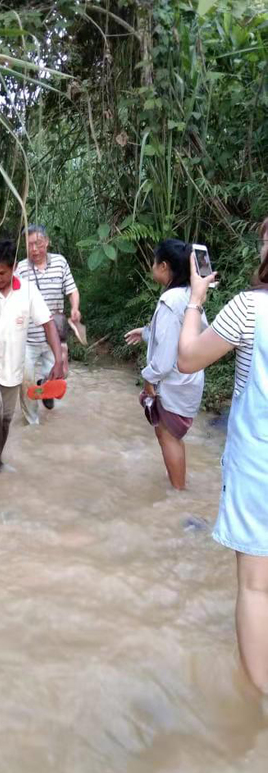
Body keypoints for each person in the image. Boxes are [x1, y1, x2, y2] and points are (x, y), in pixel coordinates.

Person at [177, 218, 268, 692]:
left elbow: (188, 358)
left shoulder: (250, 309)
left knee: (256, 584)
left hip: (259, 463)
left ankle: (258, 703)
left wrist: (195, 300)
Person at [0, 238, 64, 472]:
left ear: (14, 268)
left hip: (14, 367)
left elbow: (48, 324)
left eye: (2, 273)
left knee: (6, 420)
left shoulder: (28, 292)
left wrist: (58, 359)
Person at [125, 239, 208, 490]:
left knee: (168, 436)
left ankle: (178, 492)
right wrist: (147, 332)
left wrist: (149, 381)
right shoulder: (190, 297)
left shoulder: (169, 301)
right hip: (189, 379)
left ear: (163, 266)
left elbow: (163, 359)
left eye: (153, 262)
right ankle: (178, 483)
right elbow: (186, 334)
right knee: (172, 436)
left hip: (173, 383)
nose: (152, 266)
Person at [16, 225, 80, 424]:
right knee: (25, 381)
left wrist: (75, 308)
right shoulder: (20, 268)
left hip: (55, 336)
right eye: (30, 245)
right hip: (28, 337)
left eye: (38, 243)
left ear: (47, 241)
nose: (34, 249)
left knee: (59, 375)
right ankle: (32, 422)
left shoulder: (60, 263)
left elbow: (72, 290)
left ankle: (46, 388)